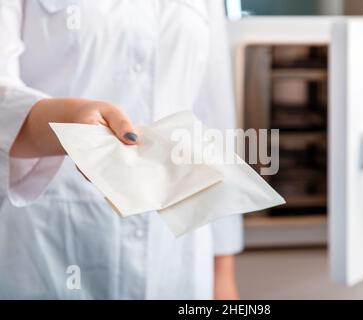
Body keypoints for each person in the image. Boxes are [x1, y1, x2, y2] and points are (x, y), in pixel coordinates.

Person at [0, 0, 243, 299]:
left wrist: (222, 270)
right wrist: (66, 120)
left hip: (175, 246)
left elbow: (212, 117)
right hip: (48, 240)